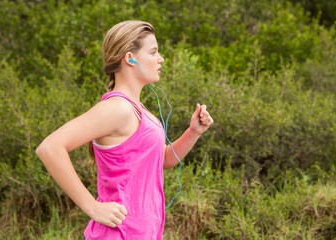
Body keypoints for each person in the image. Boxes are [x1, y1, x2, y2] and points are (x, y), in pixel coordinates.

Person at [36, 20, 213, 240]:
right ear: (130, 58)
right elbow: (50, 148)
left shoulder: (138, 110)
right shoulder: (117, 108)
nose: (161, 59)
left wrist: (193, 131)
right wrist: (92, 207)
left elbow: (163, 159)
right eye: (154, 52)